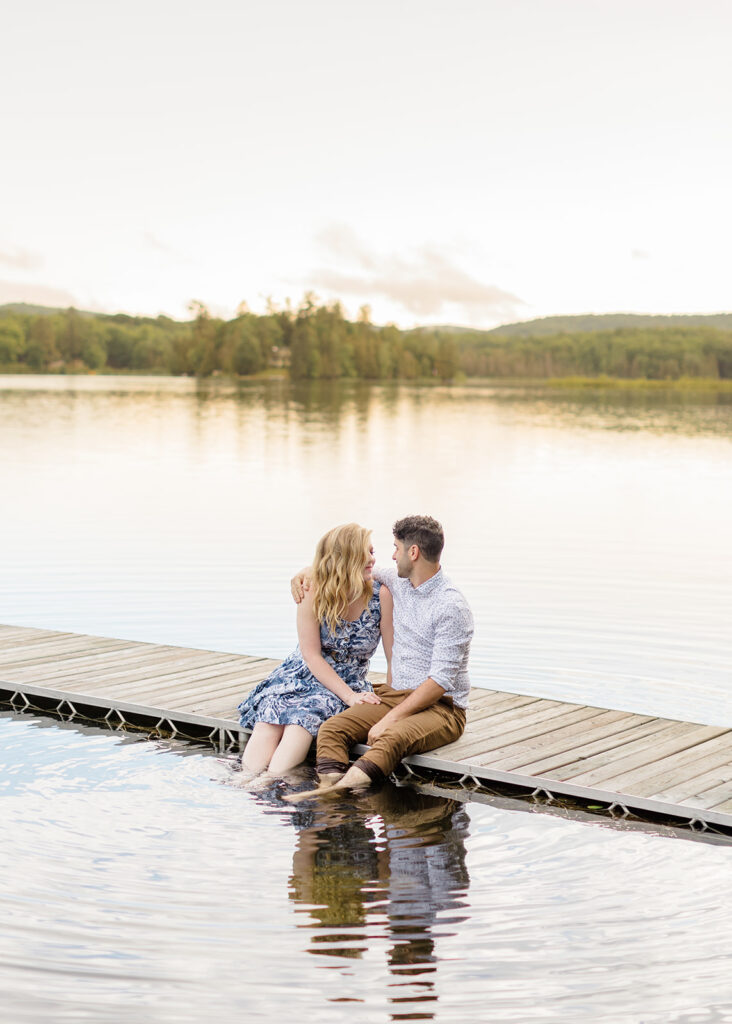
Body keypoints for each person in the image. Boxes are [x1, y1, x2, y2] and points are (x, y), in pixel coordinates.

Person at [285, 515, 473, 800]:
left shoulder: (451, 606)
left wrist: (391, 719)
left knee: (392, 737)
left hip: (442, 707)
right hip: (395, 695)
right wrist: (305, 572)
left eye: (397, 548)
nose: (392, 555)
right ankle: (330, 793)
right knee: (332, 729)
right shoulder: (398, 582)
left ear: (413, 552)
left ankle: (334, 793)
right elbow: (343, 563)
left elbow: (440, 681)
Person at [237, 523, 393, 777]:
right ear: (348, 556)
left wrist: (390, 705)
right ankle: (246, 781)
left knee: (301, 721)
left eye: (373, 552)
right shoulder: (313, 589)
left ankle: (268, 781)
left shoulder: (381, 595)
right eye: (367, 552)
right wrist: (350, 697)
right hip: (302, 673)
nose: (373, 559)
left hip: (347, 682)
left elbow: (392, 657)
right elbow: (311, 654)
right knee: (270, 719)